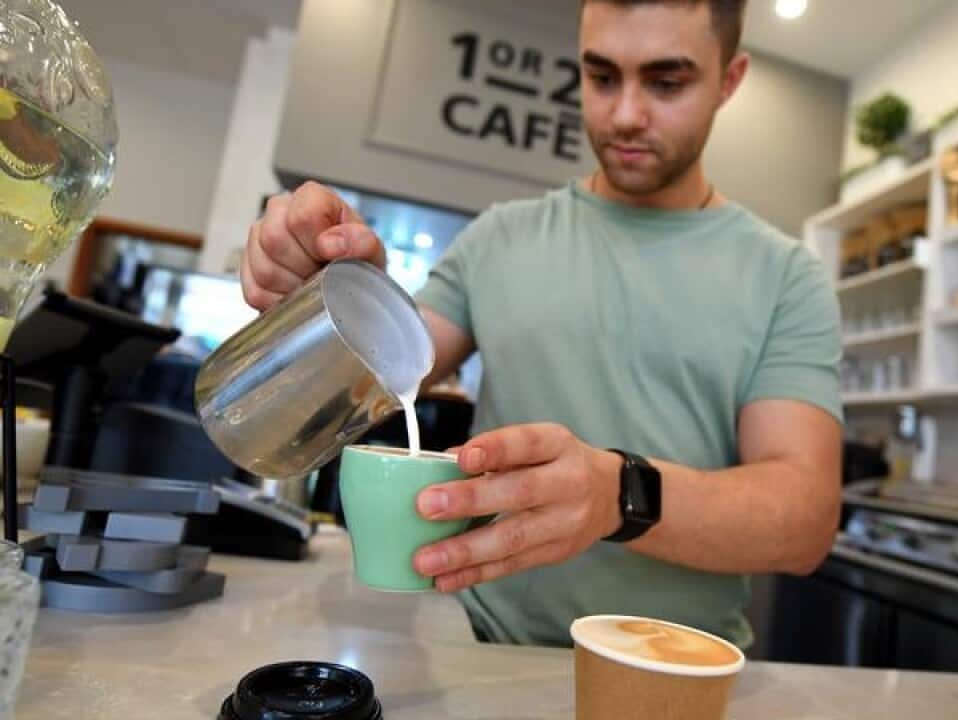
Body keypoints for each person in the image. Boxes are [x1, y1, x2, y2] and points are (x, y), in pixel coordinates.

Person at [239, 0, 842, 649]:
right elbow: (362, 383)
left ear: (729, 79)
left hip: (675, 670)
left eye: (667, 83)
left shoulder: (785, 277)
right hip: (482, 651)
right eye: (602, 76)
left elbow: (803, 520)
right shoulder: (501, 239)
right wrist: (340, 297)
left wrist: (617, 493)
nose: (625, 114)